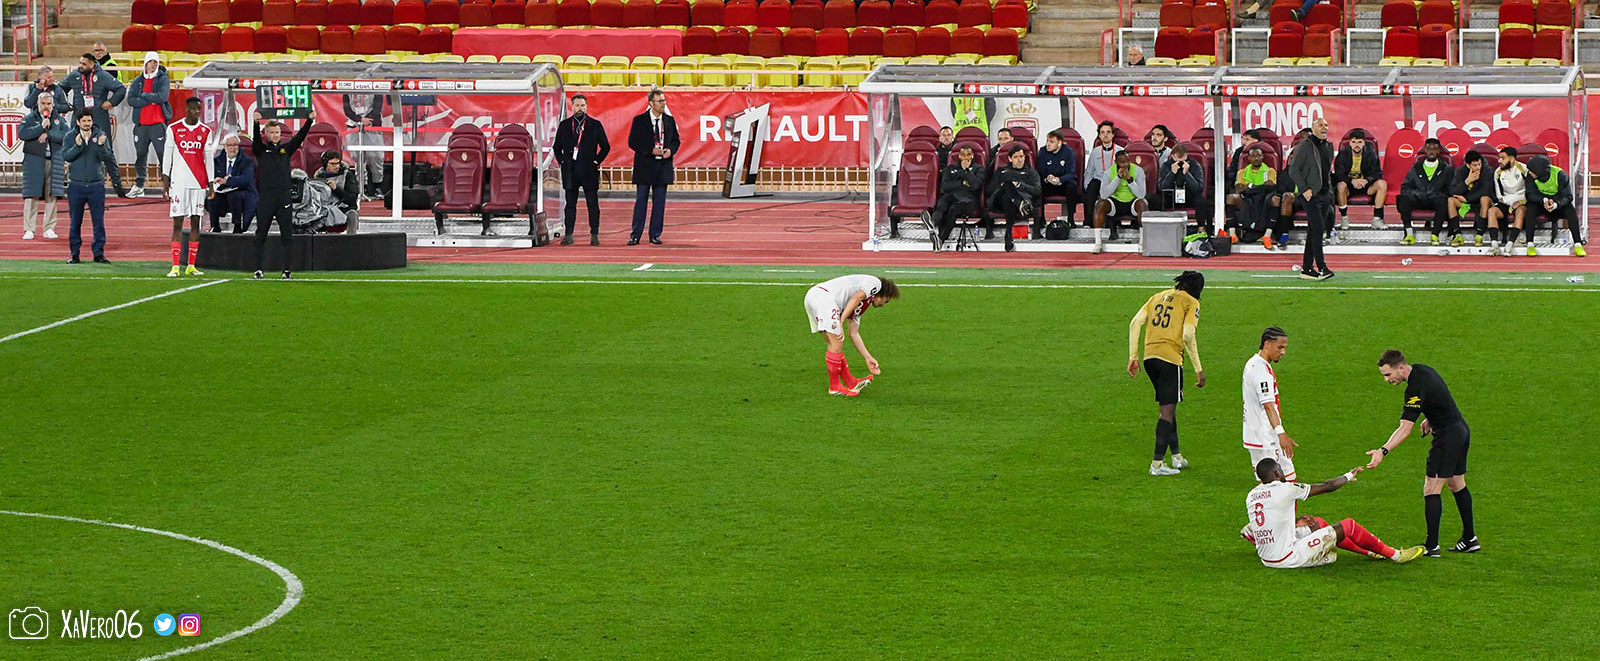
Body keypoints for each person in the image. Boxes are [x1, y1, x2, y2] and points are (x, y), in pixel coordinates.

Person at [1366, 350, 1478, 557]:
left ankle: (1431, 546)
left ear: (1401, 368)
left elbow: (1405, 429)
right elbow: (1439, 395)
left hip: (1447, 438)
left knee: (1431, 488)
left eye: (1388, 374)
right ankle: (1470, 539)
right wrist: (1431, 417)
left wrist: (1382, 451)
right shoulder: (1423, 370)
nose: (1386, 380)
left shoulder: (1414, 389)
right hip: (1461, 430)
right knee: (1456, 483)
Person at [1245, 459, 1424, 568]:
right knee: (1348, 526)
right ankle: (1396, 555)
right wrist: (1348, 475)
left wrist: (1296, 522)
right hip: (1287, 557)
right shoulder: (1286, 489)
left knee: (1317, 523)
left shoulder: (1251, 495)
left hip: (1266, 557)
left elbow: (1272, 518)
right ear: (1277, 472)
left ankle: (1372, 552)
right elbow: (1328, 486)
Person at [1126, 271, 1205, 476]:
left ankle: (1176, 456)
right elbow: (1188, 335)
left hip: (1149, 358)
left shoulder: (1157, 297)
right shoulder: (1191, 302)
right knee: (1167, 412)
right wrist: (1198, 368)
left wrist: (1133, 356)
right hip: (1170, 359)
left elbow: (1135, 323)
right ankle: (1157, 464)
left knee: (1168, 405)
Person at [803, 274, 899, 397]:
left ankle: (851, 382)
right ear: (885, 293)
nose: (883, 304)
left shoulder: (863, 303)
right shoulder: (875, 284)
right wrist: (841, 321)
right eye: (886, 300)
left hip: (815, 296)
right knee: (836, 343)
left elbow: (854, 333)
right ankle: (835, 387)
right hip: (824, 297)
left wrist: (868, 358)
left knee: (834, 344)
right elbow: (856, 298)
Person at [251, 110, 315, 279]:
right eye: (272, 132)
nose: (275, 135)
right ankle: (258, 269)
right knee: (261, 234)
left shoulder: (285, 149)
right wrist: (256, 124)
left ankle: (286, 270)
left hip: (284, 196)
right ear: (266, 134)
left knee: (287, 234)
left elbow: (299, 138)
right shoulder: (261, 150)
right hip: (266, 197)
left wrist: (309, 121)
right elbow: (255, 142)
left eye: (277, 132)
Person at [59, 52, 127, 198]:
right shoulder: (74, 75)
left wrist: (111, 102)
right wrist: (66, 105)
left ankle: (117, 185)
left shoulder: (102, 76)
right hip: (78, 119)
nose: (80, 66)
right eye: (79, 63)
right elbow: (60, 89)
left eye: (84, 64)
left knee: (107, 152)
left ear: (92, 64)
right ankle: (67, 182)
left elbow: (121, 89)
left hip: (98, 118)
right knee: (73, 149)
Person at [161, 97, 213, 276]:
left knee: (196, 222)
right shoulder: (173, 129)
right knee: (177, 222)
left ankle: (191, 265)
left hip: (198, 183)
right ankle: (175, 266)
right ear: (186, 109)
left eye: (199, 108)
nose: (197, 112)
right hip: (179, 183)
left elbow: (209, 160)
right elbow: (167, 156)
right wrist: (165, 182)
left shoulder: (205, 131)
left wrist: (211, 184)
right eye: (193, 108)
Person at [553, 93, 610, 245]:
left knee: (592, 204)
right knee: (570, 205)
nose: (580, 108)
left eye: (582, 105)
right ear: (572, 107)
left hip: (589, 170)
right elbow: (556, 147)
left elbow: (606, 146)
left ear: (586, 107)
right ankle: (569, 234)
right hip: (570, 171)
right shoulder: (565, 125)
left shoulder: (595, 125)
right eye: (577, 105)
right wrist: (562, 162)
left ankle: (594, 234)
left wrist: (596, 161)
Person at [1242, 327, 1297, 482]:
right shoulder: (1261, 371)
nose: (1283, 352)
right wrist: (1281, 434)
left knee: (1290, 482)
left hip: (1268, 435)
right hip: (1264, 440)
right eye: (1280, 347)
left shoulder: (1255, 363)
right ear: (1267, 344)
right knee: (1272, 489)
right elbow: (1268, 406)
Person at [627, 89, 679, 246]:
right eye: (660, 101)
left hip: (663, 167)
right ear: (651, 103)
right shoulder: (639, 120)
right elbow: (632, 142)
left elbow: (676, 141)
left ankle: (655, 234)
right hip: (645, 167)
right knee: (641, 201)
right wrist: (650, 150)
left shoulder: (669, 120)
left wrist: (670, 150)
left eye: (664, 101)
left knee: (659, 203)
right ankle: (635, 234)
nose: (663, 104)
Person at [1285, 118, 1334, 280]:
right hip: (1310, 195)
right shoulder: (1304, 146)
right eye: (1320, 125)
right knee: (1318, 228)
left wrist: (1329, 192)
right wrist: (1304, 189)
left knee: (1314, 230)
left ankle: (1307, 268)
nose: (1324, 127)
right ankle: (1322, 267)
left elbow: (1326, 171)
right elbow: (1293, 170)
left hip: (1325, 194)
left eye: (1326, 125)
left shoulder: (1329, 146)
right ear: (1313, 129)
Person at [62, 109, 114, 264]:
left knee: (98, 222)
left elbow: (107, 156)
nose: (87, 123)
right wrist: (77, 146)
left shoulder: (100, 135)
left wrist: (101, 146)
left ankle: (98, 254)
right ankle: (74, 254)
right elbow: (66, 156)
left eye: (89, 121)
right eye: (84, 121)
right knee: (75, 222)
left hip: (95, 185)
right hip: (76, 185)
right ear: (78, 122)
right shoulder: (70, 136)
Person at [20, 93, 69, 241]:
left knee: (51, 195)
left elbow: (67, 136)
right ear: (38, 104)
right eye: (43, 103)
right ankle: (29, 229)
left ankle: (49, 228)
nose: (46, 106)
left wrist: (49, 134)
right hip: (34, 161)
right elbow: (23, 133)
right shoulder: (29, 118)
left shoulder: (59, 120)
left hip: (54, 161)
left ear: (53, 104)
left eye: (48, 103)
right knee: (31, 196)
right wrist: (40, 128)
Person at [920, 144, 985, 251]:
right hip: (951, 195)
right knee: (941, 204)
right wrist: (962, 183)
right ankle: (932, 224)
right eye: (963, 155)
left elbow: (975, 186)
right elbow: (945, 186)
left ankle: (940, 240)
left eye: (968, 155)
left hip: (968, 200)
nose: (965, 157)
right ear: (959, 156)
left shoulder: (979, 169)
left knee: (953, 210)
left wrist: (966, 171)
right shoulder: (950, 168)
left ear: (972, 156)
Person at [126, 52, 172, 198]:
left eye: (155, 62)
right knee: (140, 155)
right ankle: (139, 186)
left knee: (163, 155)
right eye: (150, 61)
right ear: (145, 63)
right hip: (141, 125)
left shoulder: (163, 79)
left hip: (157, 124)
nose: (153, 64)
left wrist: (144, 95)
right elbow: (131, 100)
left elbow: (162, 97)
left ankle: (168, 186)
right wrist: (150, 100)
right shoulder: (137, 81)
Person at [1525, 154, 1587, 257]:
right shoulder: (1530, 176)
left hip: (1557, 204)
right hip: (1541, 203)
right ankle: (1530, 244)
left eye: (1532, 170)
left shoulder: (1560, 174)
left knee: (1570, 210)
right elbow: (1530, 194)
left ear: (1539, 170)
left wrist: (1556, 204)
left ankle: (1578, 244)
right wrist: (1544, 200)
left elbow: (1568, 196)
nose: (1530, 172)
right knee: (1531, 208)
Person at [1397, 138, 1454, 246]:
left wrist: (1439, 194)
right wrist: (1416, 193)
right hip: (1418, 198)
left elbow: (1450, 189)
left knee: (1444, 200)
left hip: (1436, 199)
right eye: (1429, 149)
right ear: (1425, 150)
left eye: (1434, 149)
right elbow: (1405, 186)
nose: (1431, 151)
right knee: (1403, 198)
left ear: (1439, 151)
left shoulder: (1447, 169)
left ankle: (1435, 235)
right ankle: (1408, 233)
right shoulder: (1416, 168)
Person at [985, 144, 1040, 252]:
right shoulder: (1001, 171)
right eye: (1016, 157)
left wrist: (1020, 185)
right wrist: (1002, 186)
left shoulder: (1031, 172)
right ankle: (1019, 203)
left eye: (1021, 156)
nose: (1019, 159)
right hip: (999, 202)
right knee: (1007, 185)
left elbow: (1037, 190)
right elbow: (989, 189)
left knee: (1008, 198)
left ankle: (1008, 234)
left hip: (1017, 201)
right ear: (1010, 159)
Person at [1228, 146, 1286, 248]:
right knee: (1230, 198)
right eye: (1253, 156)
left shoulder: (1270, 171)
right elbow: (1238, 189)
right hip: (1246, 198)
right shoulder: (1242, 172)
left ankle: (1267, 235)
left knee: (1276, 199)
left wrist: (1249, 186)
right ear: (1249, 158)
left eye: (1258, 155)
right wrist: (1259, 187)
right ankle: (1232, 234)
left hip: (1264, 198)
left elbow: (1270, 185)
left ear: (1262, 157)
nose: (1256, 158)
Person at [1333, 132, 1386, 231]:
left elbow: (1377, 173)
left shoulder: (1371, 153)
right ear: (1350, 143)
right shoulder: (1342, 155)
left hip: (1366, 185)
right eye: (1354, 142)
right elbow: (1339, 175)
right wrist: (1352, 181)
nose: (1356, 145)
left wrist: (1367, 180)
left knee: (1382, 184)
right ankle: (1344, 218)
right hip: (1349, 186)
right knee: (1340, 185)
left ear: (1364, 143)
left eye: (1359, 142)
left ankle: (1377, 219)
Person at [342, 89, 387, 200]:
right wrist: (360, 119)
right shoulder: (348, 88)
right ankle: (362, 187)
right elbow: (347, 108)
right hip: (354, 127)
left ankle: (377, 186)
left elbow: (377, 106)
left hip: (372, 126)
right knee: (357, 158)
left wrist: (368, 120)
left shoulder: (376, 86)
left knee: (376, 156)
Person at [1094, 149, 1147, 241]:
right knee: (1100, 204)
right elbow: (1103, 195)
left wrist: (1130, 180)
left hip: (1132, 202)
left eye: (1127, 161)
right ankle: (1098, 242)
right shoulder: (1108, 172)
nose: (1125, 165)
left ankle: (1143, 241)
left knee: (1143, 204)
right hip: (1115, 204)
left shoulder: (1138, 171)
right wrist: (1118, 178)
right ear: (1116, 162)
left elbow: (1141, 194)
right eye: (1122, 163)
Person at [208, 134, 257, 233]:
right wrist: (214, 181)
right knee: (212, 198)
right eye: (229, 145)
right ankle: (215, 226)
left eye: (235, 145)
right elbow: (211, 177)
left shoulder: (247, 161)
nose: (232, 148)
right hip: (222, 191)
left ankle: (237, 226)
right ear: (225, 146)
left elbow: (246, 179)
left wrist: (228, 181)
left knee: (234, 195)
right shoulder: (217, 161)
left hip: (242, 191)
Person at [1447, 150, 1494, 248]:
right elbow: (1453, 191)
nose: (1478, 167)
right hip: (1465, 202)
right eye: (1475, 165)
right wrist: (1467, 182)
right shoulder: (1460, 171)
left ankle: (1479, 235)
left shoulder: (1487, 171)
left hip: (1478, 201)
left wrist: (1467, 199)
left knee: (1485, 199)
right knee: (1451, 200)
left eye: (1479, 164)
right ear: (1468, 165)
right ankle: (1457, 234)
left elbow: (1486, 191)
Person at [1487, 146, 1528, 255]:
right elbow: (1499, 195)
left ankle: (1509, 245)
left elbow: (1530, 191)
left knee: (1521, 211)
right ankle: (1494, 246)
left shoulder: (1524, 169)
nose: (1499, 161)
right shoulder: (1497, 172)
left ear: (1512, 159)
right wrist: (1509, 204)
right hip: (1506, 201)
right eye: (1499, 158)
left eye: (1503, 158)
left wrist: (1520, 202)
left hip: (1521, 200)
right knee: (1491, 211)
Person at [1035, 130, 1078, 228]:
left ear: (1059, 143)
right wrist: (1047, 177)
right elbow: (1040, 170)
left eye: (1052, 142)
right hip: (1048, 183)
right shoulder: (1042, 151)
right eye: (1047, 141)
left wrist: (1059, 179)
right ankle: (1041, 221)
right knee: (1038, 187)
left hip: (1062, 183)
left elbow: (1071, 173)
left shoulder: (1068, 152)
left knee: (1072, 186)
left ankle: (1071, 219)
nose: (1048, 144)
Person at [313, 150, 361, 233]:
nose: (336, 166)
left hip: (344, 209)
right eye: (332, 164)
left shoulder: (348, 175)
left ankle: (351, 239)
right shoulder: (319, 177)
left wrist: (336, 189)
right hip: (325, 210)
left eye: (337, 163)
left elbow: (352, 199)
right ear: (325, 164)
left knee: (352, 214)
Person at [1083, 121, 1120, 224]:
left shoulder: (1120, 151)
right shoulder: (1095, 152)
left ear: (1113, 134)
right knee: (1092, 186)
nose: (1105, 135)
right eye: (1102, 132)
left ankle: (1112, 222)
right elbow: (1089, 172)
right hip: (1098, 181)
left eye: (1108, 132)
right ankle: (1089, 221)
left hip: (1113, 182)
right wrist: (1087, 186)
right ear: (1099, 135)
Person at [1158, 143, 1206, 221]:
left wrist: (1186, 174)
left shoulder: (1195, 165)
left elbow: (1198, 189)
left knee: (1200, 200)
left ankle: (1201, 226)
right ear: (1172, 156)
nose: (1180, 162)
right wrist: (1172, 173)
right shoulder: (1166, 166)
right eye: (1177, 160)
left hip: (1189, 196)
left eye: (1182, 159)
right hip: (1171, 197)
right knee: (1157, 200)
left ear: (1187, 155)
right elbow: (1162, 188)